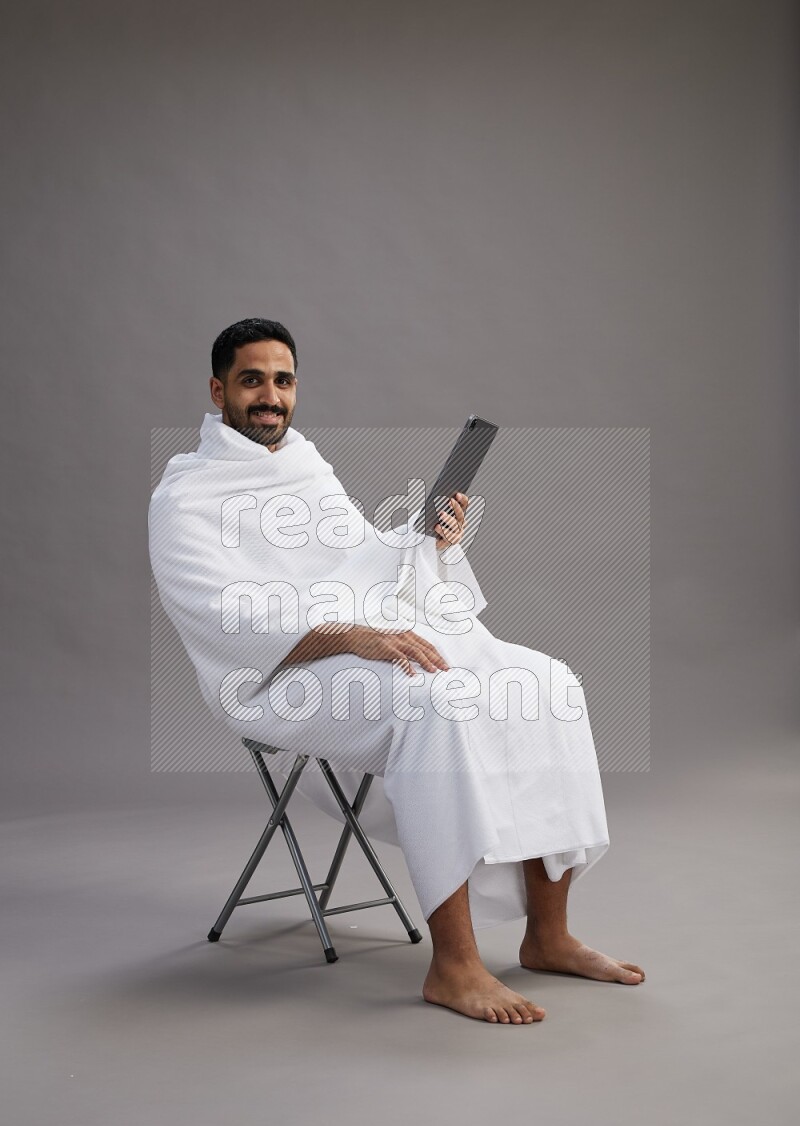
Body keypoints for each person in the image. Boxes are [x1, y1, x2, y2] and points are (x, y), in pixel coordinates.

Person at [149, 317, 646, 1025]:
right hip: (275, 676)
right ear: (217, 389)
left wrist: (429, 539)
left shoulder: (305, 466)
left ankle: (549, 934)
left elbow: (362, 561)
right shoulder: (184, 499)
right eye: (252, 380)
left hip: (358, 643)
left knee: (548, 684)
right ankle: (453, 965)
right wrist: (349, 634)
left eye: (282, 381)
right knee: (435, 703)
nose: (269, 396)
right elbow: (218, 612)